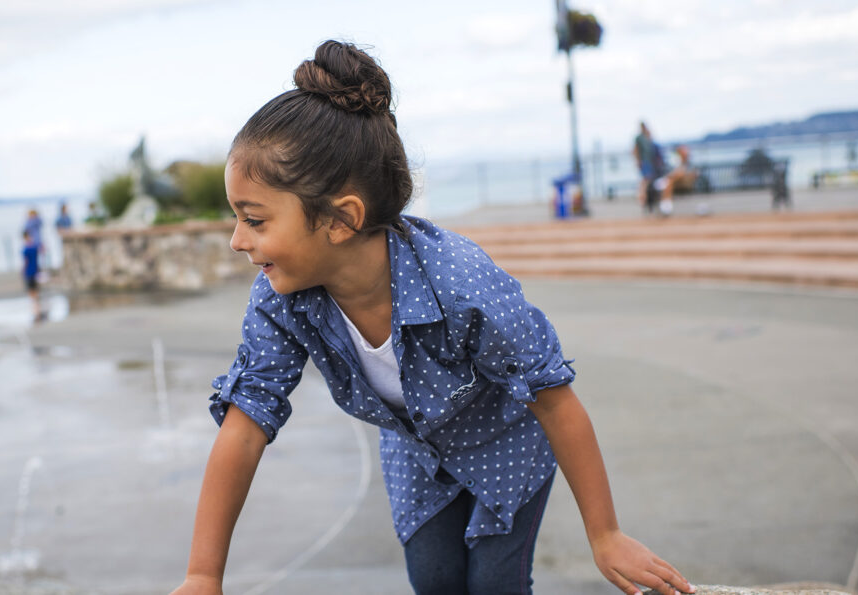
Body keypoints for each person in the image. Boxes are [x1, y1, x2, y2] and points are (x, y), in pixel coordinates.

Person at [172, 40, 694, 595]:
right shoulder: (282, 296)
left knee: (495, 585)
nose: (236, 240)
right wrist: (203, 576)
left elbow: (555, 400)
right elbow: (246, 424)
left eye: (254, 219)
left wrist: (606, 534)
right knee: (436, 582)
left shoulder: (460, 285)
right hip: (419, 455)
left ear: (341, 220)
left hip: (506, 443)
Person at [654, 144, 699, 215]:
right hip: (675, 183)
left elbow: (694, 174)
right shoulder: (676, 162)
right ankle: (666, 207)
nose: (682, 154)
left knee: (673, 179)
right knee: (671, 182)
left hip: (685, 183)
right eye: (681, 152)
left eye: (683, 152)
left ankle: (665, 207)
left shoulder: (689, 164)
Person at [632, 121, 662, 211]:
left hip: (650, 162)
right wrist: (638, 161)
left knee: (647, 181)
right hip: (645, 162)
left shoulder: (647, 137)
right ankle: (642, 198)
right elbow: (635, 150)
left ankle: (644, 199)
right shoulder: (639, 138)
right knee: (646, 180)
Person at [20, 230, 43, 321]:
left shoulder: (27, 248)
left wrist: (23, 270)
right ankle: (37, 307)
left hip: (30, 270)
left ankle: (35, 308)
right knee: (35, 289)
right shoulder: (34, 247)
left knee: (32, 289)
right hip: (36, 269)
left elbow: (26, 261)